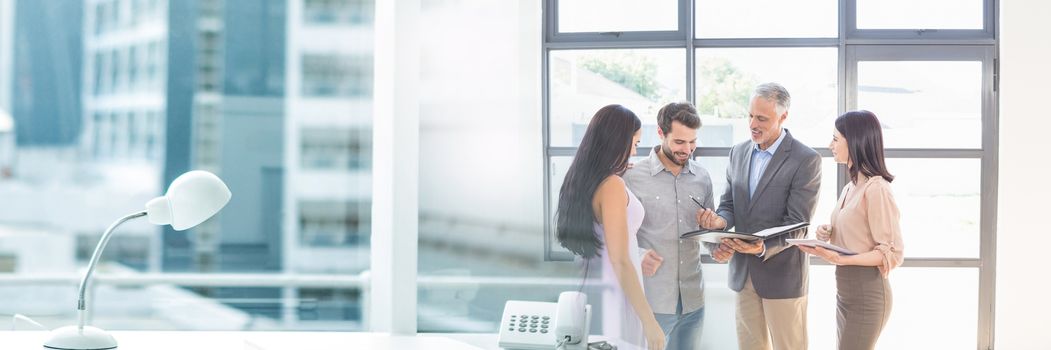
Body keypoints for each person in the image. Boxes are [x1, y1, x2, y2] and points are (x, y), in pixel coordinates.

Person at [696, 83, 822, 350]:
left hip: (783, 276)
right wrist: (719, 222)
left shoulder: (805, 159)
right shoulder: (738, 152)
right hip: (744, 274)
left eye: (762, 118)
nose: (753, 124)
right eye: (750, 115)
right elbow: (729, 204)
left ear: (783, 116)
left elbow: (798, 224)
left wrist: (763, 246)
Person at [556, 104, 665, 350]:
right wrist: (650, 322)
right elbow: (621, 260)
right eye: (634, 143)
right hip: (616, 293)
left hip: (589, 291)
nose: (635, 151)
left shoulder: (583, 179)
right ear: (619, 141)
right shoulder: (612, 185)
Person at [797, 110, 904, 350]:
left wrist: (841, 259)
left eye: (835, 139)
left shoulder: (876, 189)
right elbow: (857, 235)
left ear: (854, 141)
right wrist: (828, 233)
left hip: (867, 294)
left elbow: (890, 253)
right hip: (846, 294)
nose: (830, 145)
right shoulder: (851, 187)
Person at [626, 102, 712, 350]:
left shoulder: (703, 178)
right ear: (661, 133)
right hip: (652, 301)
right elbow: (611, 236)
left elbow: (705, 234)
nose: (687, 149)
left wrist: (720, 243)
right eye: (679, 142)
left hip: (693, 302)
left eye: (692, 142)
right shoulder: (631, 177)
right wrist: (638, 255)